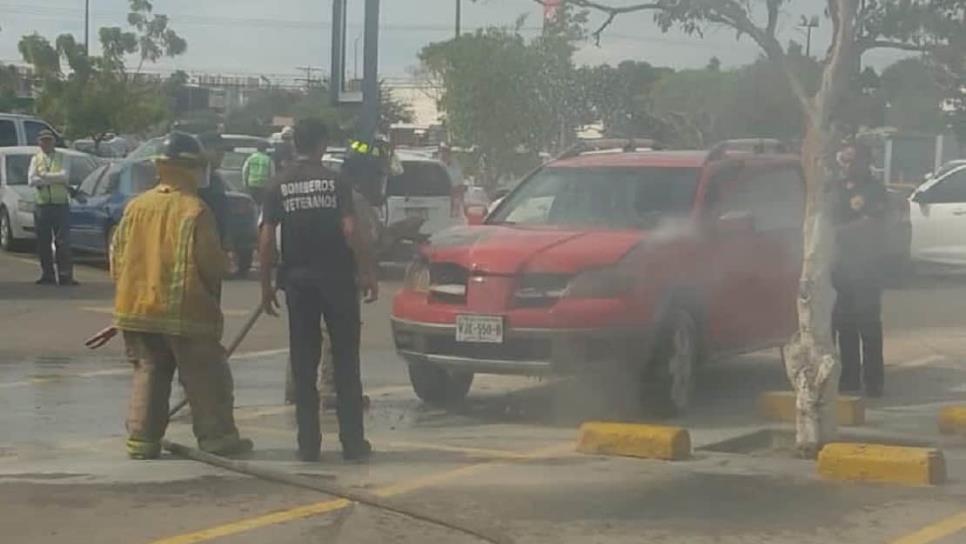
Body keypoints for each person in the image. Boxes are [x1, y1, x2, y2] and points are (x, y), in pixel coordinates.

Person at [108, 132, 252, 459]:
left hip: (136, 311)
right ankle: (218, 440)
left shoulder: (136, 207)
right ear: (189, 168)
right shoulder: (195, 210)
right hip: (186, 314)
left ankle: (142, 442)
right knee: (206, 379)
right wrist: (226, 265)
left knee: (149, 373)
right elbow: (210, 263)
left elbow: (116, 258)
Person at [259, 118, 378, 462]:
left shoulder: (277, 186)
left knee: (303, 361)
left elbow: (266, 239)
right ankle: (353, 443)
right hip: (338, 282)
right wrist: (367, 271)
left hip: (298, 284)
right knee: (345, 362)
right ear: (322, 144)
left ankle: (308, 444)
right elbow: (351, 230)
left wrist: (266, 285)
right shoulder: (337, 183)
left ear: (295, 143)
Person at [830, 141, 889, 398]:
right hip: (840, 267)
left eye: (852, 161)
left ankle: (874, 381)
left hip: (866, 267)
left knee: (868, 325)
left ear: (865, 162)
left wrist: (835, 233)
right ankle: (850, 378)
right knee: (845, 325)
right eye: (844, 160)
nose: (847, 166)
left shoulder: (874, 189)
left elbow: (872, 224)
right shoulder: (836, 188)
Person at [28, 129, 77, 286]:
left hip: (60, 204)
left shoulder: (63, 157)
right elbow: (31, 180)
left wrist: (44, 177)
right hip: (42, 205)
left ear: (54, 142)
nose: (46, 143)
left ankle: (65, 276)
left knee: (63, 242)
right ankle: (47, 275)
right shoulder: (36, 159)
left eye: (49, 140)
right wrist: (53, 179)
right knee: (43, 242)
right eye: (43, 140)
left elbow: (65, 176)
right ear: (39, 142)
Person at [242, 140, 275, 206]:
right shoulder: (268, 159)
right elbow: (272, 174)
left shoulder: (251, 158)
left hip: (252, 184)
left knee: (251, 203)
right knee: (261, 204)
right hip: (263, 185)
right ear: (265, 149)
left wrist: (245, 183)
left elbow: (245, 171)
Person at [439, 142, 465, 217]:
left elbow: (460, 183)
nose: (444, 153)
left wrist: (460, 197)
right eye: (442, 151)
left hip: (453, 195)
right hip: (440, 194)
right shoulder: (436, 165)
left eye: (446, 151)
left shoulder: (455, 165)